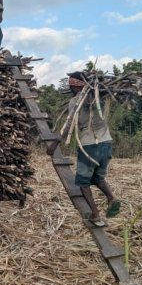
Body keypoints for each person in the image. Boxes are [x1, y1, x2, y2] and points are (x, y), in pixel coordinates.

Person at [47, 71, 121, 227]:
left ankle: (95, 214)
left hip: (89, 146)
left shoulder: (76, 101)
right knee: (97, 177)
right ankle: (111, 198)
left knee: (82, 183)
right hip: (107, 143)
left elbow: (68, 125)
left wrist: (55, 144)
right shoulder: (100, 96)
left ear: (73, 86)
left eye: (70, 84)